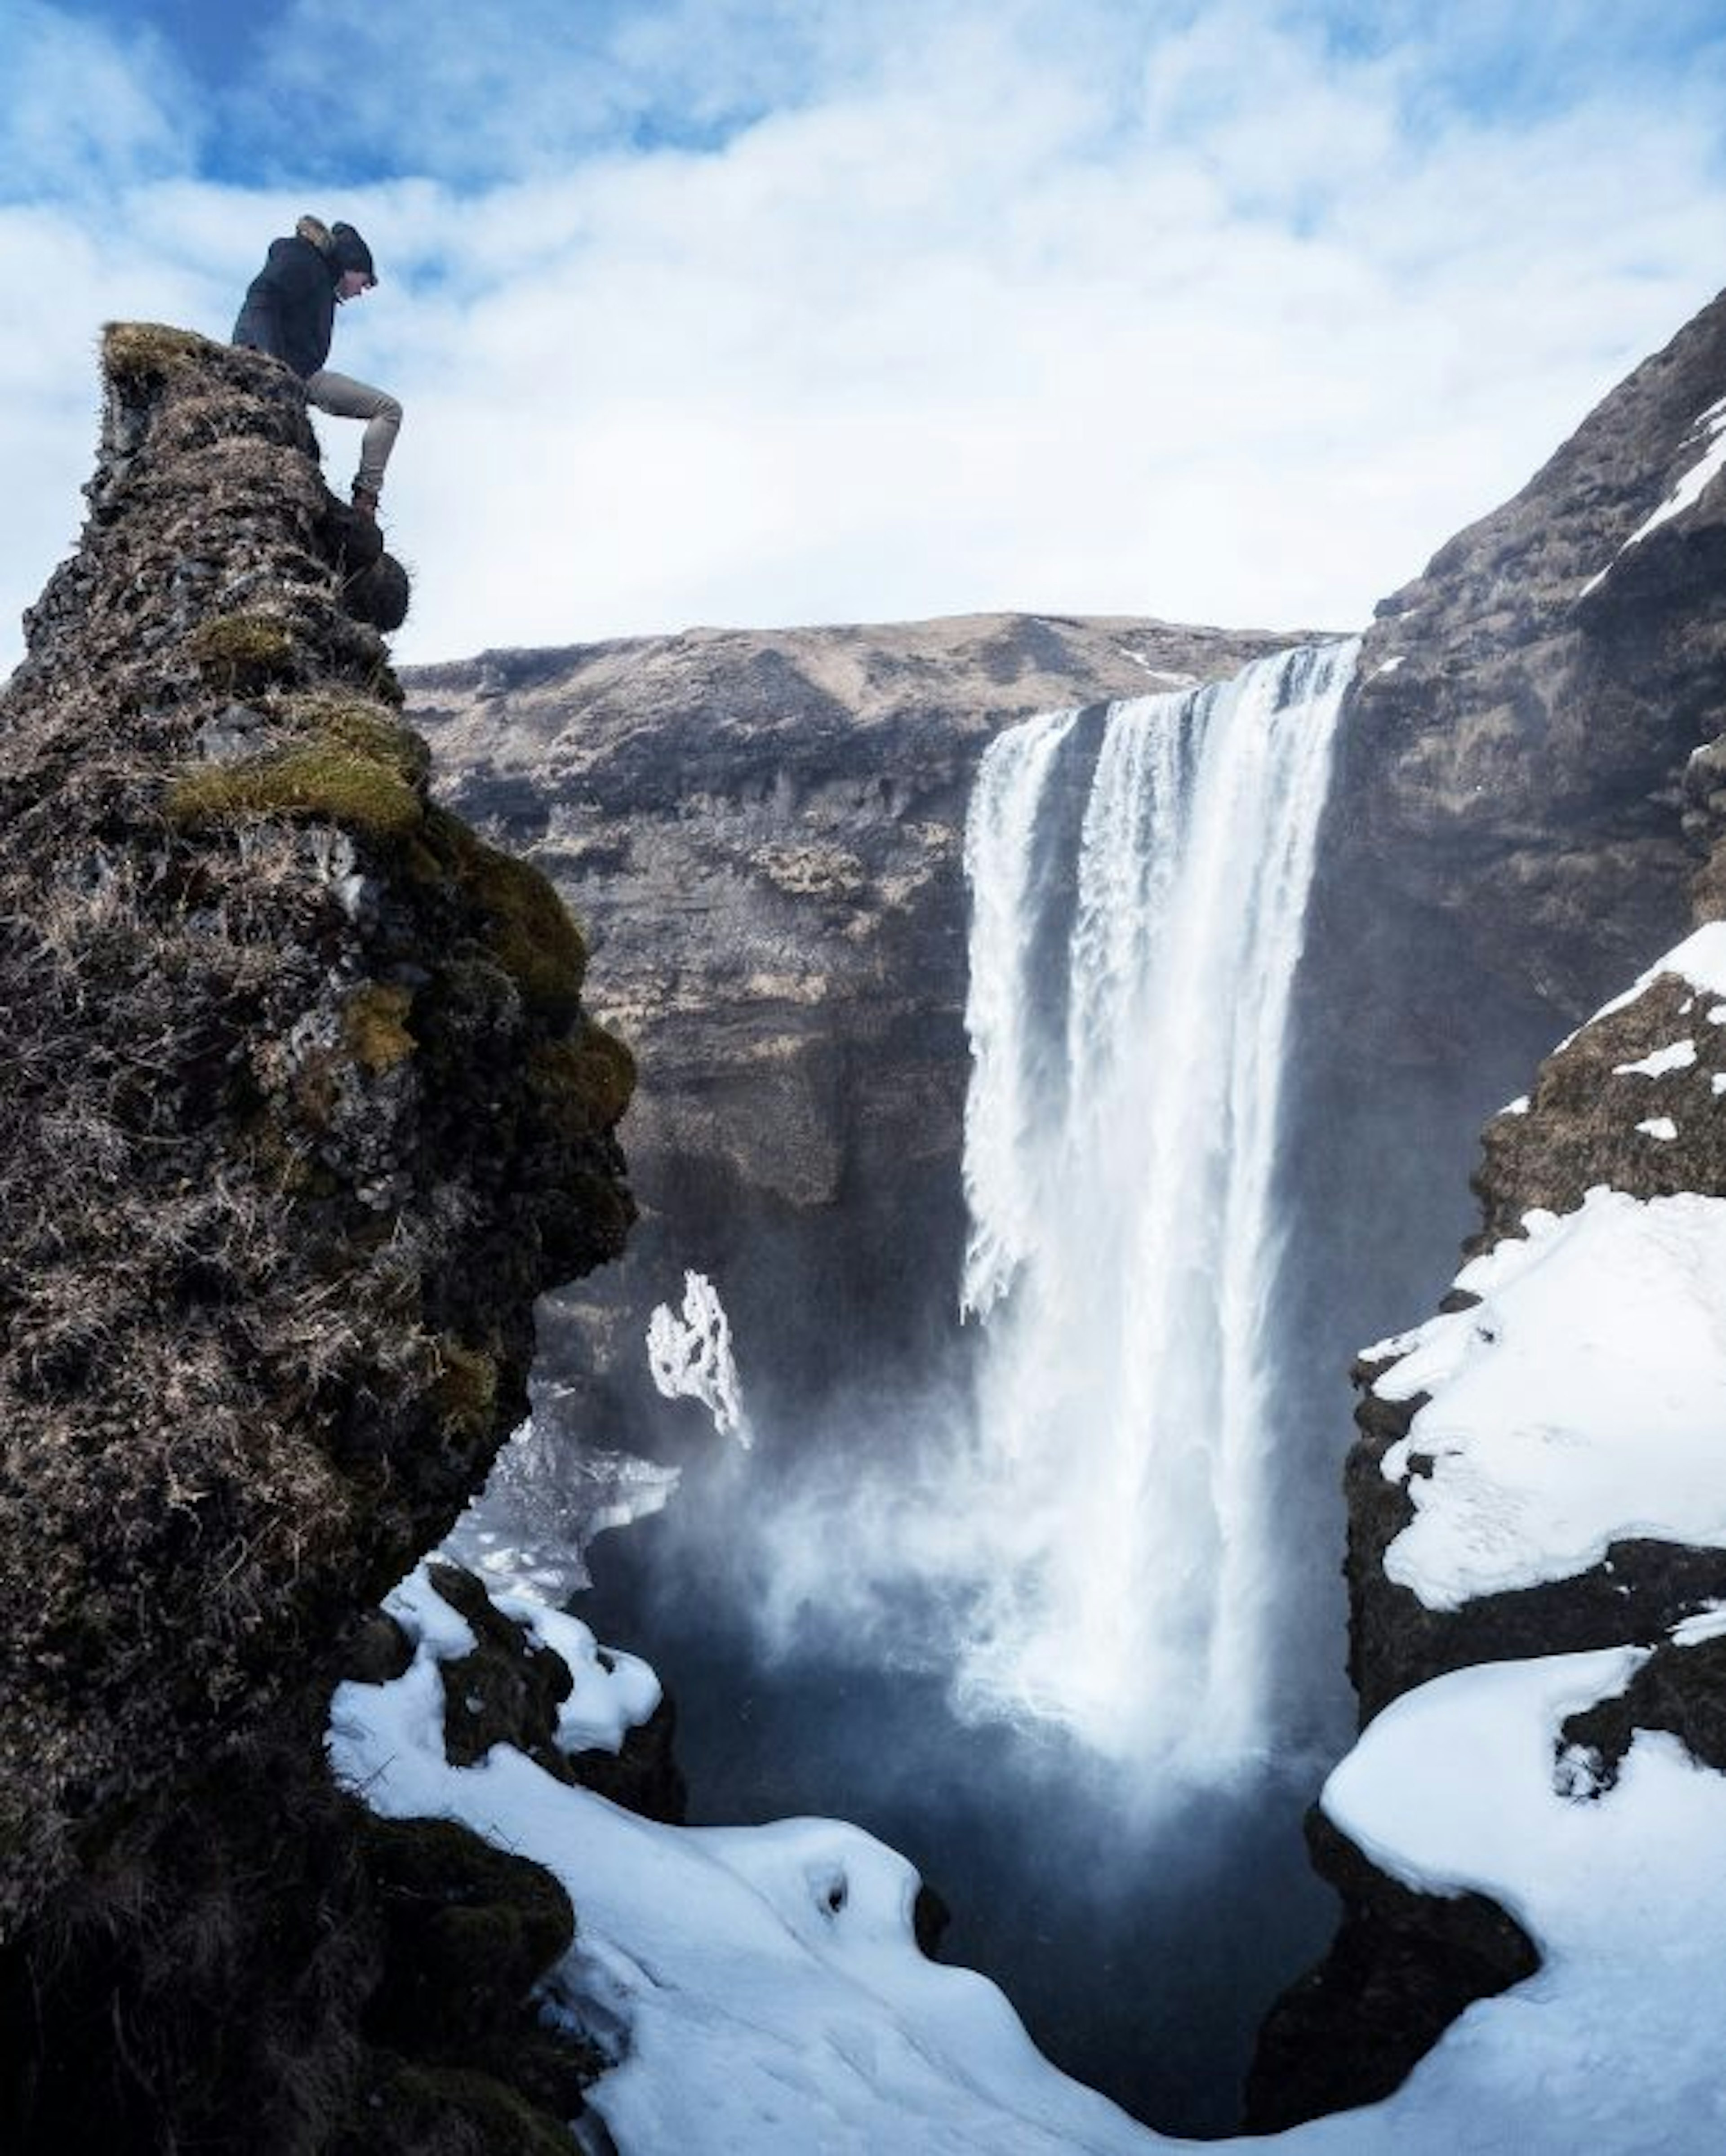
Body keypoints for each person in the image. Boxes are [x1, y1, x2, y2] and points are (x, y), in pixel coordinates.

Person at [232, 215, 401, 521]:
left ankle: (365, 501)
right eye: (365, 280)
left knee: (387, 410)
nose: (363, 290)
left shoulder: (320, 277)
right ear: (350, 266)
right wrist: (272, 365)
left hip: (297, 374)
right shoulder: (301, 257)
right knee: (388, 410)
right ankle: (366, 499)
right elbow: (262, 295)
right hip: (280, 370)